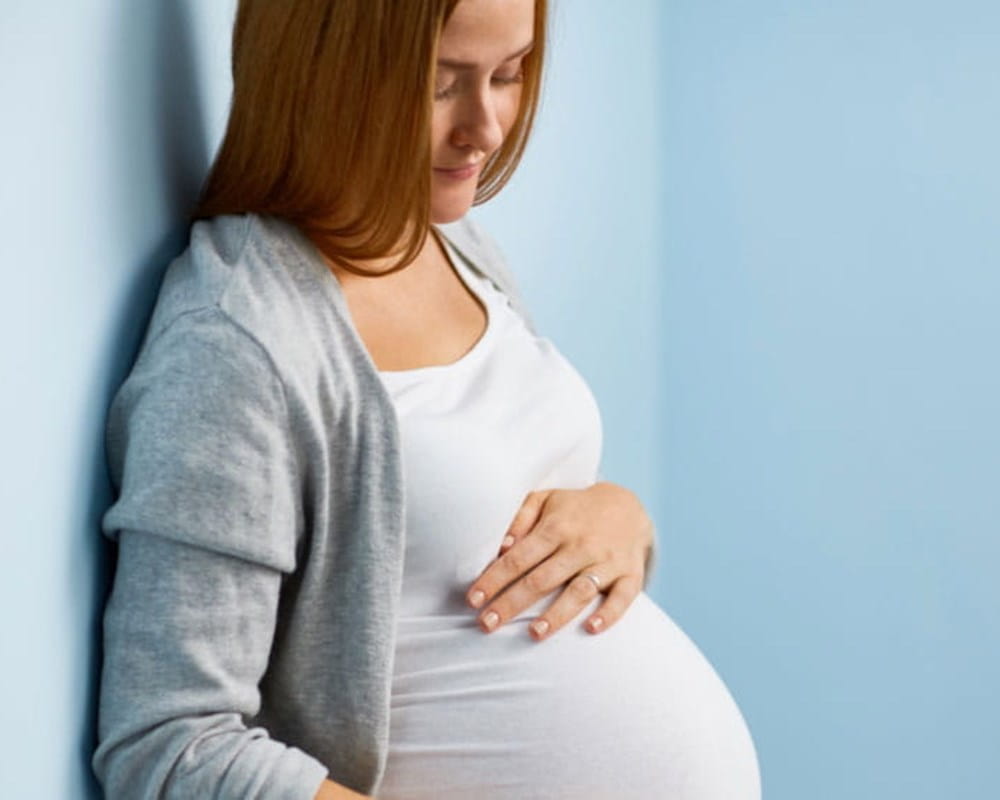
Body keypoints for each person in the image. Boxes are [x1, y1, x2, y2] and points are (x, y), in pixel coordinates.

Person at [93, 0, 762, 798]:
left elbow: (499, 539)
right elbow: (169, 743)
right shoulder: (237, 341)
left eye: (508, 74)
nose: (486, 126)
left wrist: (623, 521)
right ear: (323, 74)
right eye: (442, 85)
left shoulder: (459, 251)